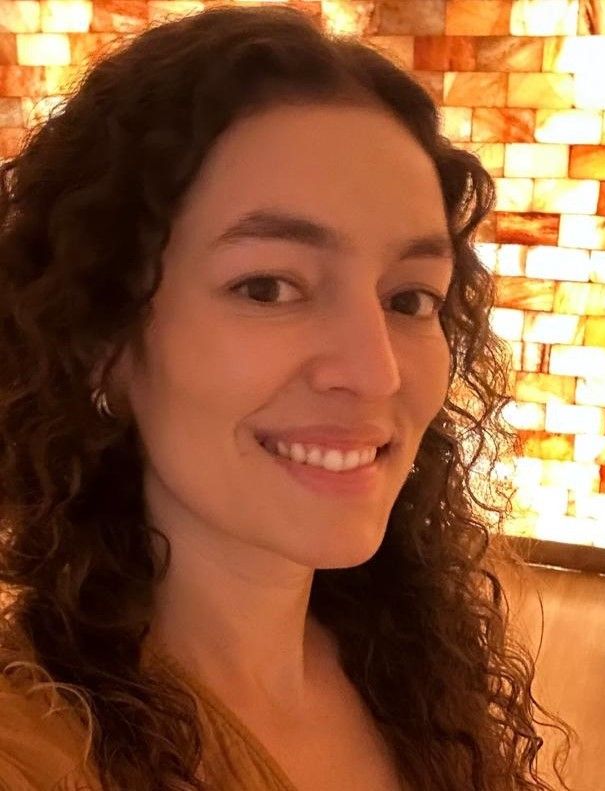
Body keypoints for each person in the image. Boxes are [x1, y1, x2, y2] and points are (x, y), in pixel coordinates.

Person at [0, 5, 572, 790]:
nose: (375, 372)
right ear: (103, 342)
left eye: (410, 298)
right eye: (268, 287)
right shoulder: (35, 747)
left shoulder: (404, 666)